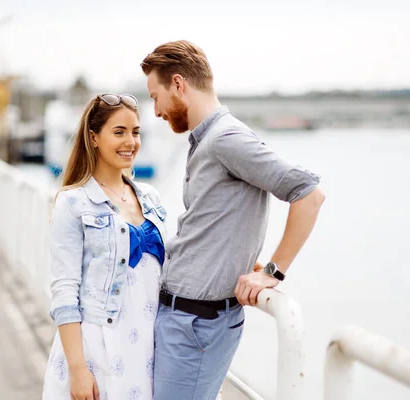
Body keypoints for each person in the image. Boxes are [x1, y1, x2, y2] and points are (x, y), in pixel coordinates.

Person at [140, 40, 326, 399]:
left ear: (179, 84)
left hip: (198, 326)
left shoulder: (226, 138)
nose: (157, 110)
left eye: (155, 97)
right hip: (183, 320)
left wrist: (272, 272)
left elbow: (309, 193)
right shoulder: (207, 139)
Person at [42, 93, 168, 400]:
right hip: (98, 350)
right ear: (94, 137)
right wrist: (78, 370)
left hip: (148, 352)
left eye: (136, 132)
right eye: (119, 132)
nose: (131, 142)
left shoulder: (151, 197)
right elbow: (64, 291)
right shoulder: (72, 202)